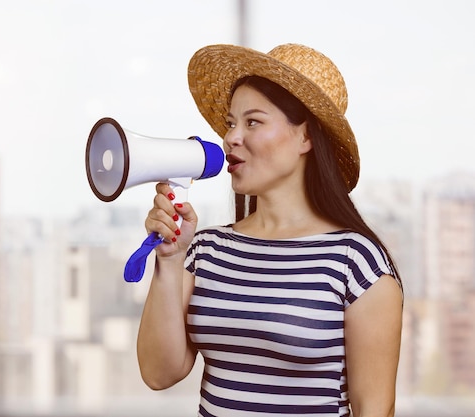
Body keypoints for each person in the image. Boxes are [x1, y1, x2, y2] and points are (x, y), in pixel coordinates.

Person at [136, 43, 403, 417]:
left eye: (253, 122)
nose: (230, 138)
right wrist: (169, 260)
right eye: (231, 123)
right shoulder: (208, 248)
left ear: (306, 137)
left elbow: (374, 409)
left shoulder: (355, 262)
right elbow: (158, 373)